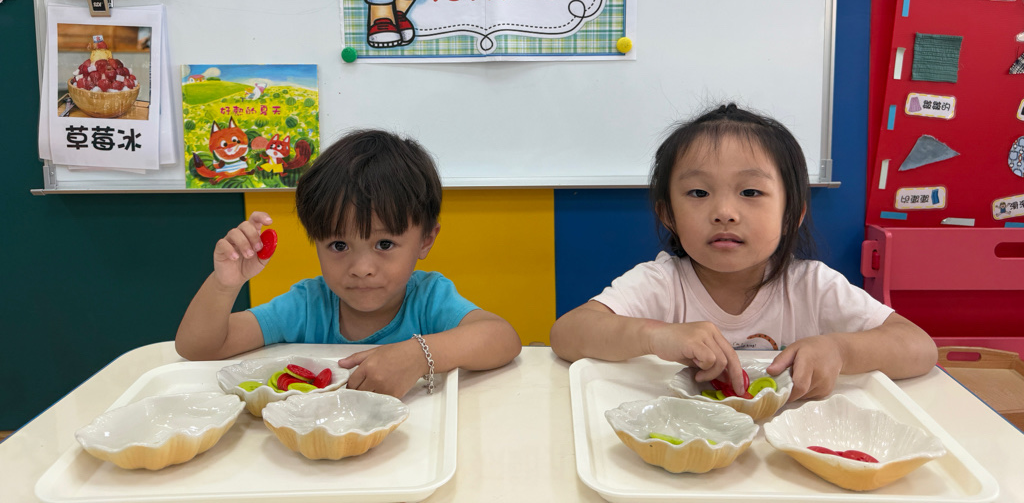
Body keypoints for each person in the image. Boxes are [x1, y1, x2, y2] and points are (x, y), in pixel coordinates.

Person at [549, 103, 937, 401]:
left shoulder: (811, 285)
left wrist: (840, 350)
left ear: (792, 214)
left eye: (750, 192)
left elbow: (919, 347)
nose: (724, 213)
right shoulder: (661, 283)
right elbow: (567, 334)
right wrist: (656, 336)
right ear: (668, 214)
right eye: (698, 192)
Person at [176, 129, 522, 398]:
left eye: (384, 244)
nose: (361, 267)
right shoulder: (307, 304)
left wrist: (419, 355)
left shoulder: (429, 298)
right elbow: (199, 349)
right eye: (339, 245)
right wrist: (225, 284)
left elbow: (502, 338)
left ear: (425, 240)